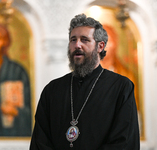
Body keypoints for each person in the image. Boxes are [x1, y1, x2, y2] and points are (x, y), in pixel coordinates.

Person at [30, 14, 140, 149]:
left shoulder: (121, 87)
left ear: (100, 46)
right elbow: (40, 142)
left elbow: (124, 142)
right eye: (73, 40)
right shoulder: (52, 89)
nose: (77, 45)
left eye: (84, 40)